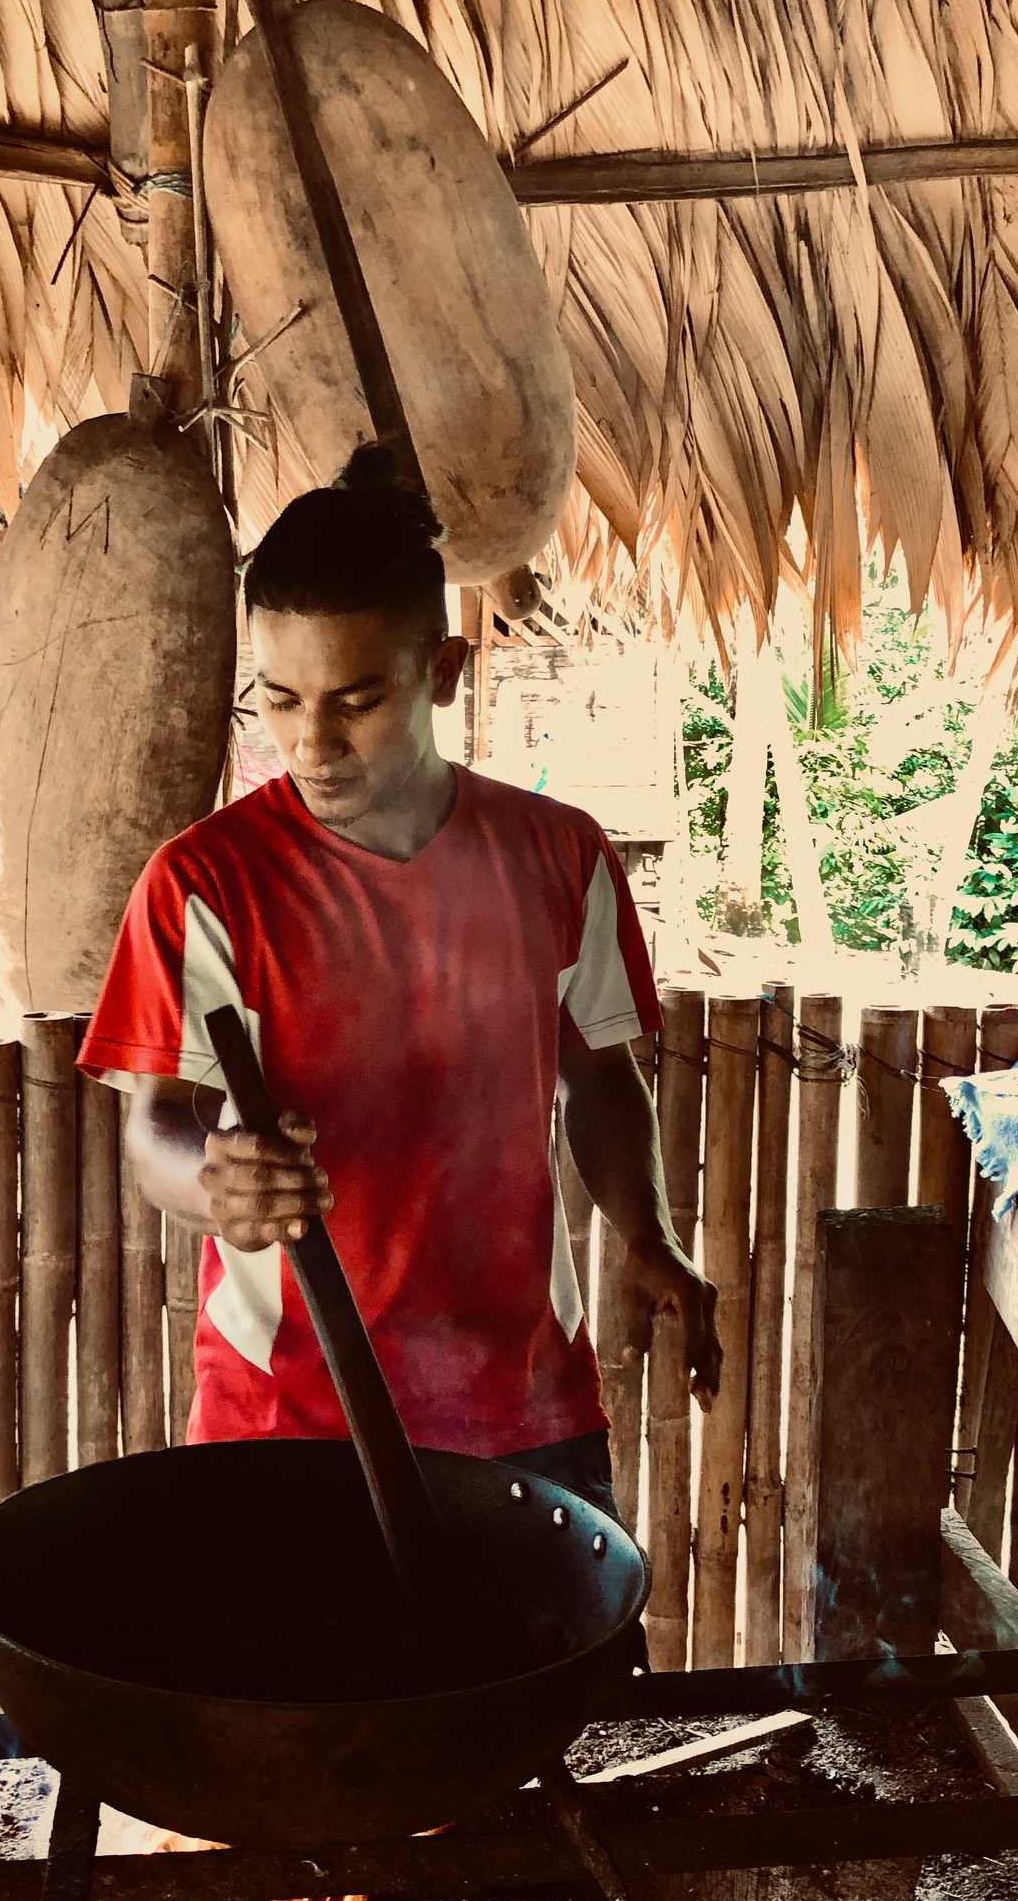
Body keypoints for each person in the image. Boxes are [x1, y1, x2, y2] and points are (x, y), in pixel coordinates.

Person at [79, 449, 719, 1523]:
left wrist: (648, 1238)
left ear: (444, 671)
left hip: (523, 1401)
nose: (310, 743)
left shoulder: (559, 858)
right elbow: (155, 1127)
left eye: (357, 701)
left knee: (539, 1686)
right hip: (283, 1417)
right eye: (278, 699)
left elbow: (598, 1076)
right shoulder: (202, 884)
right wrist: (214, 1183)